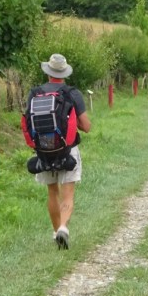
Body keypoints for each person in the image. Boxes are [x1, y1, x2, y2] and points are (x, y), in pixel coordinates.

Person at [32, 53, 91, 250]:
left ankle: (56, 231)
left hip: (43, 150)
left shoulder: (35, 93)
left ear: (48, 72)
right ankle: (63, 228)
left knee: (52, 192)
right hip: (67, 150)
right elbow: (86, 126)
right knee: (68, 194)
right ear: (64, 73)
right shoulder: (72, 94)